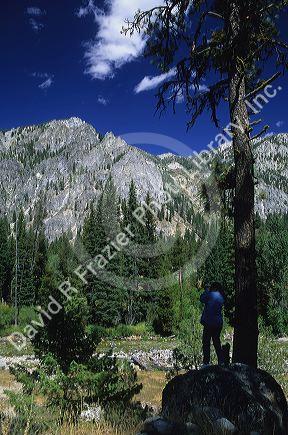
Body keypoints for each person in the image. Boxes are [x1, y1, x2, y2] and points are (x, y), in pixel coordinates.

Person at [200, 282, 224, 366]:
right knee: (216, 342)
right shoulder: (221, 296)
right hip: (218, 323)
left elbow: (202, 298)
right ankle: (221, 361)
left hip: (209, 322)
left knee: (206, 342)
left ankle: (206, 363)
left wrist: (206, 289)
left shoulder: (210, 295)